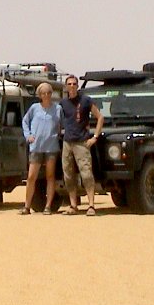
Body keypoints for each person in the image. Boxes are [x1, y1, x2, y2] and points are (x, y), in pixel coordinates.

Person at [60, 75, 104, 216]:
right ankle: (73, 205)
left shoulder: (85, 100)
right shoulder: (63, 103)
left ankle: (91, 205)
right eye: (69, 84)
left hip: (82, 142)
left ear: (77, 86)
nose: (72, 86)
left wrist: (95, 137)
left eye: (74, 84)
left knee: (86, 174)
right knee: (68, 175)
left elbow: (100, 117)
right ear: (66, 86)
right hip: (67, 142)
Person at [19, 82, 62, 215]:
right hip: (36, 147)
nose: (47, 95)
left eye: (49, 93)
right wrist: (28, 136)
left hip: (51, 147)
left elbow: (61, 125)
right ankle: (27, 206)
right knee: (31, 177)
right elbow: (25, 122)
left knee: (50, 176)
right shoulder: (34, 108)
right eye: (44, 93)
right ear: (40, 95)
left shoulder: (57, 109)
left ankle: (48, 206)